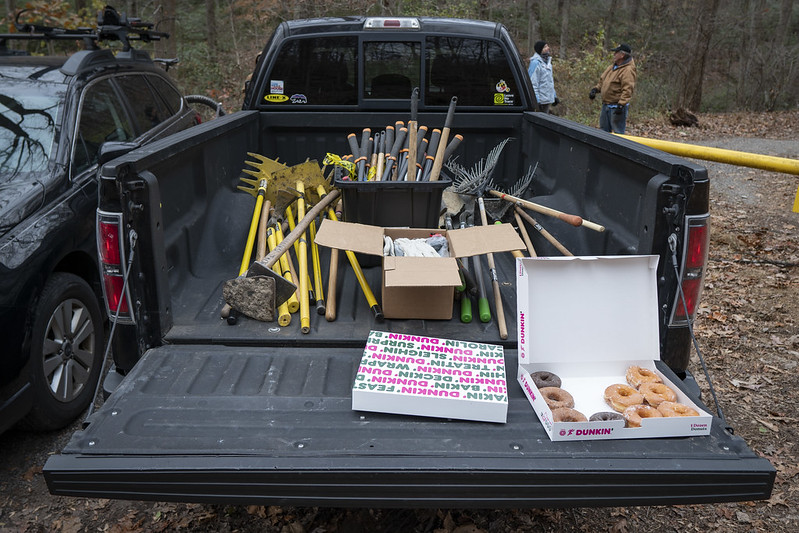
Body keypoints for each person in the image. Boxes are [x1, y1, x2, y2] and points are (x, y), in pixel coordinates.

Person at [589, 43, 636, 133]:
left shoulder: (628, 70)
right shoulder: (612, 67)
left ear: (622, 55)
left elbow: (628, 89)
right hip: (606, 105)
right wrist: (595, 89)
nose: (614, 54)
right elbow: (602, 81)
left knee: (618, 134)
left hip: (617, 107)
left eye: (616, 52)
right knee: (603, 133)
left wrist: (621, 105)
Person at [528, 40, 559, 113]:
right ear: (540, 50)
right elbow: (533, 83)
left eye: (547, 46)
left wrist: (554, 96)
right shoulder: (535, 63)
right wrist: (536, 100)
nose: (548, 48)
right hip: (540, 101)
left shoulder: (548, 62)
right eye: (545, 47)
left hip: (546, 100)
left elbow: (549, 82)